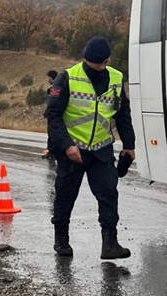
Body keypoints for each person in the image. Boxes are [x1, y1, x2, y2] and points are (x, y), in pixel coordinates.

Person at [45, 36, 135, 259]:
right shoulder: (68, 77)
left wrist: (129, 145)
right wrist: (66, 145)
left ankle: (110, 244)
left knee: (108, 195)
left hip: (101, 148)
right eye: (95, 64)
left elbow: (123, 114)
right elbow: (53, 116)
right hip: (73, 149)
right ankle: (61, 241)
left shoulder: (116, 78)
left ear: (107, 61)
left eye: (103, 63)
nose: (100, 68)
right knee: (65, 196)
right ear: (86, 59)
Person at [41, 69, 59, 161]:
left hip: (53, 116)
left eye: (49, 78)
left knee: (52, 134)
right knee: (52, 134)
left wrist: (47, 112)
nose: (48, 80)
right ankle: (51, 152)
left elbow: (52, 103)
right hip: (53, 115)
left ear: (52, 78)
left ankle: (52, 153)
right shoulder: (56, 88)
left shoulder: (54, 89)